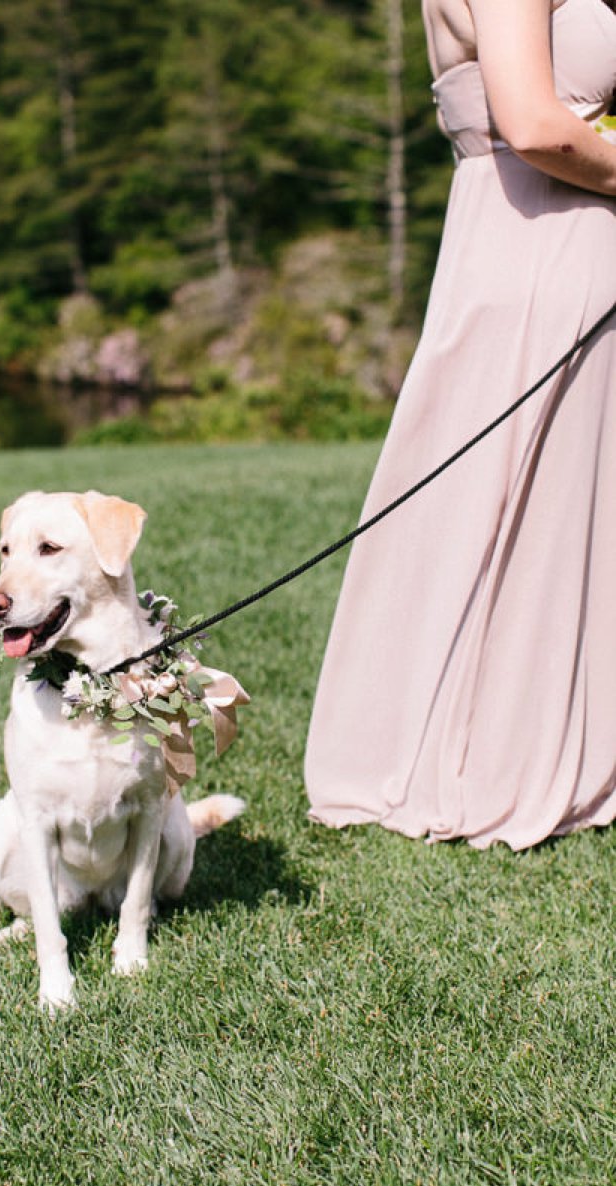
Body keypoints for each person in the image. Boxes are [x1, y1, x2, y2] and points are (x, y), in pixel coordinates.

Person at [305, 0, 616, 850]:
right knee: (512, 510)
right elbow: (536, 125)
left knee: (554, 515)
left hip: (542, 240)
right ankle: (499, 758)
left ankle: (553, 735)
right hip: (538, 245)